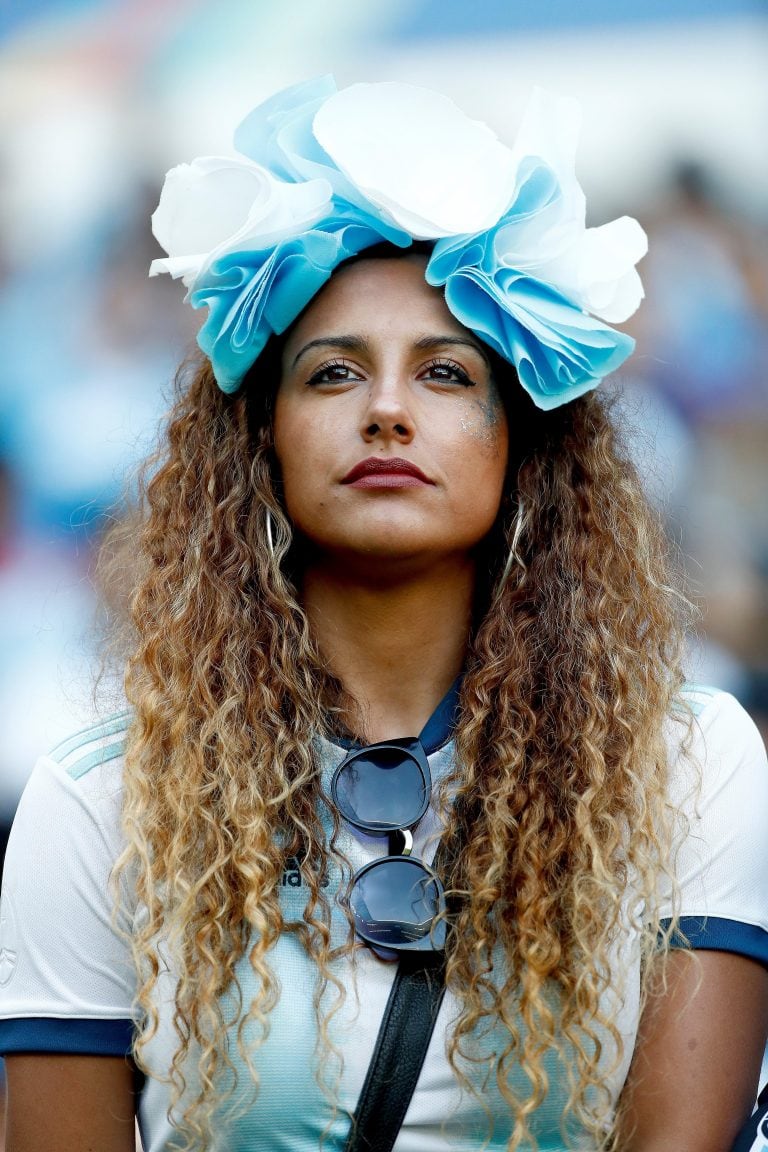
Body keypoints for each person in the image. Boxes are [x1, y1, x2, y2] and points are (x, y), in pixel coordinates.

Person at [1, 77, 767, 1152]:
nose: (389, 409)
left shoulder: (689, 760)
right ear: (259, 439)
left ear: (524, 447)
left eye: (447, 373)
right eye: (332, 374)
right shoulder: (101, 801)